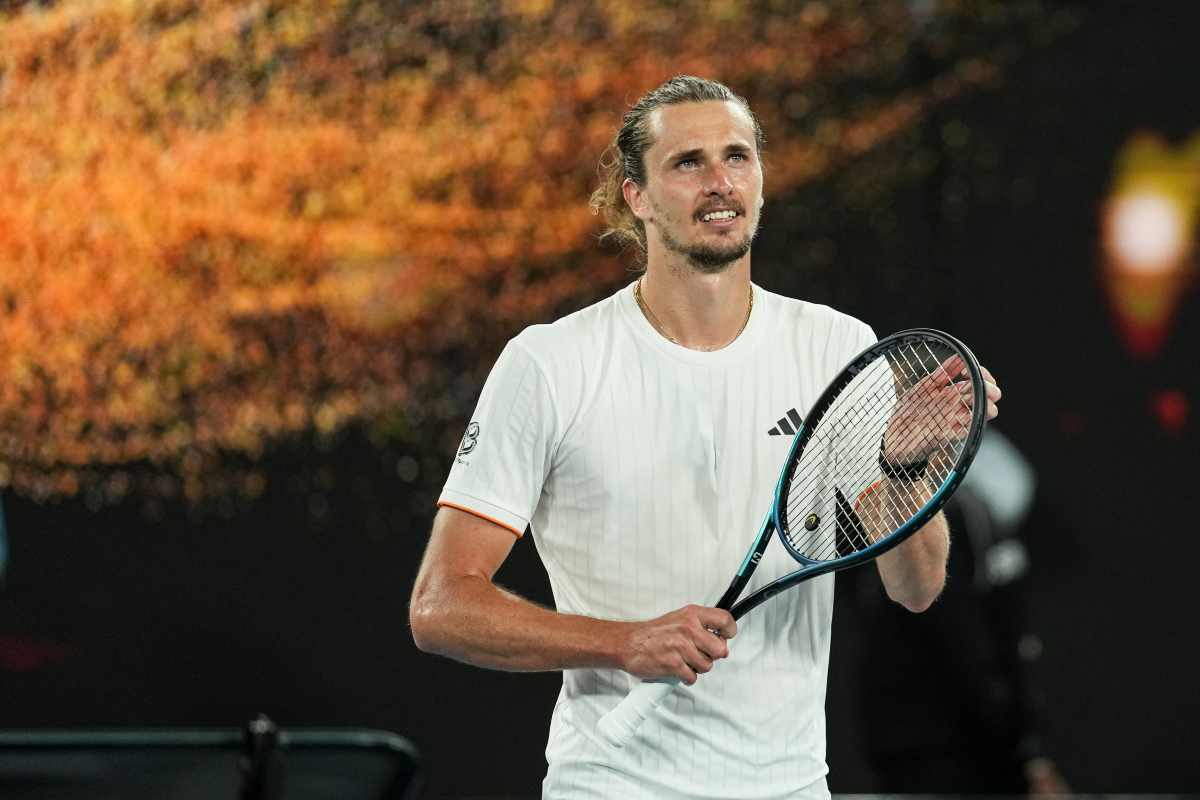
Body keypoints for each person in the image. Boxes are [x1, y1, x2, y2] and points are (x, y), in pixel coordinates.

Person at [409, 75, 1001, 799]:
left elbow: (914, 587)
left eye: (737, 157)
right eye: (687, 163)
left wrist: (907, 469)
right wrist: (624, 644)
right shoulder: (550, 363)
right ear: (636, 195)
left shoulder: (836, 346)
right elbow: (440, 606)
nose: (720, 183)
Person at [848, 427, 1070, 795]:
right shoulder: (952, 514)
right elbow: (965, 642)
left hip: (926, 746)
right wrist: (1024, 755)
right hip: (932, 752)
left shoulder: (984, 505)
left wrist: (1030, 755)